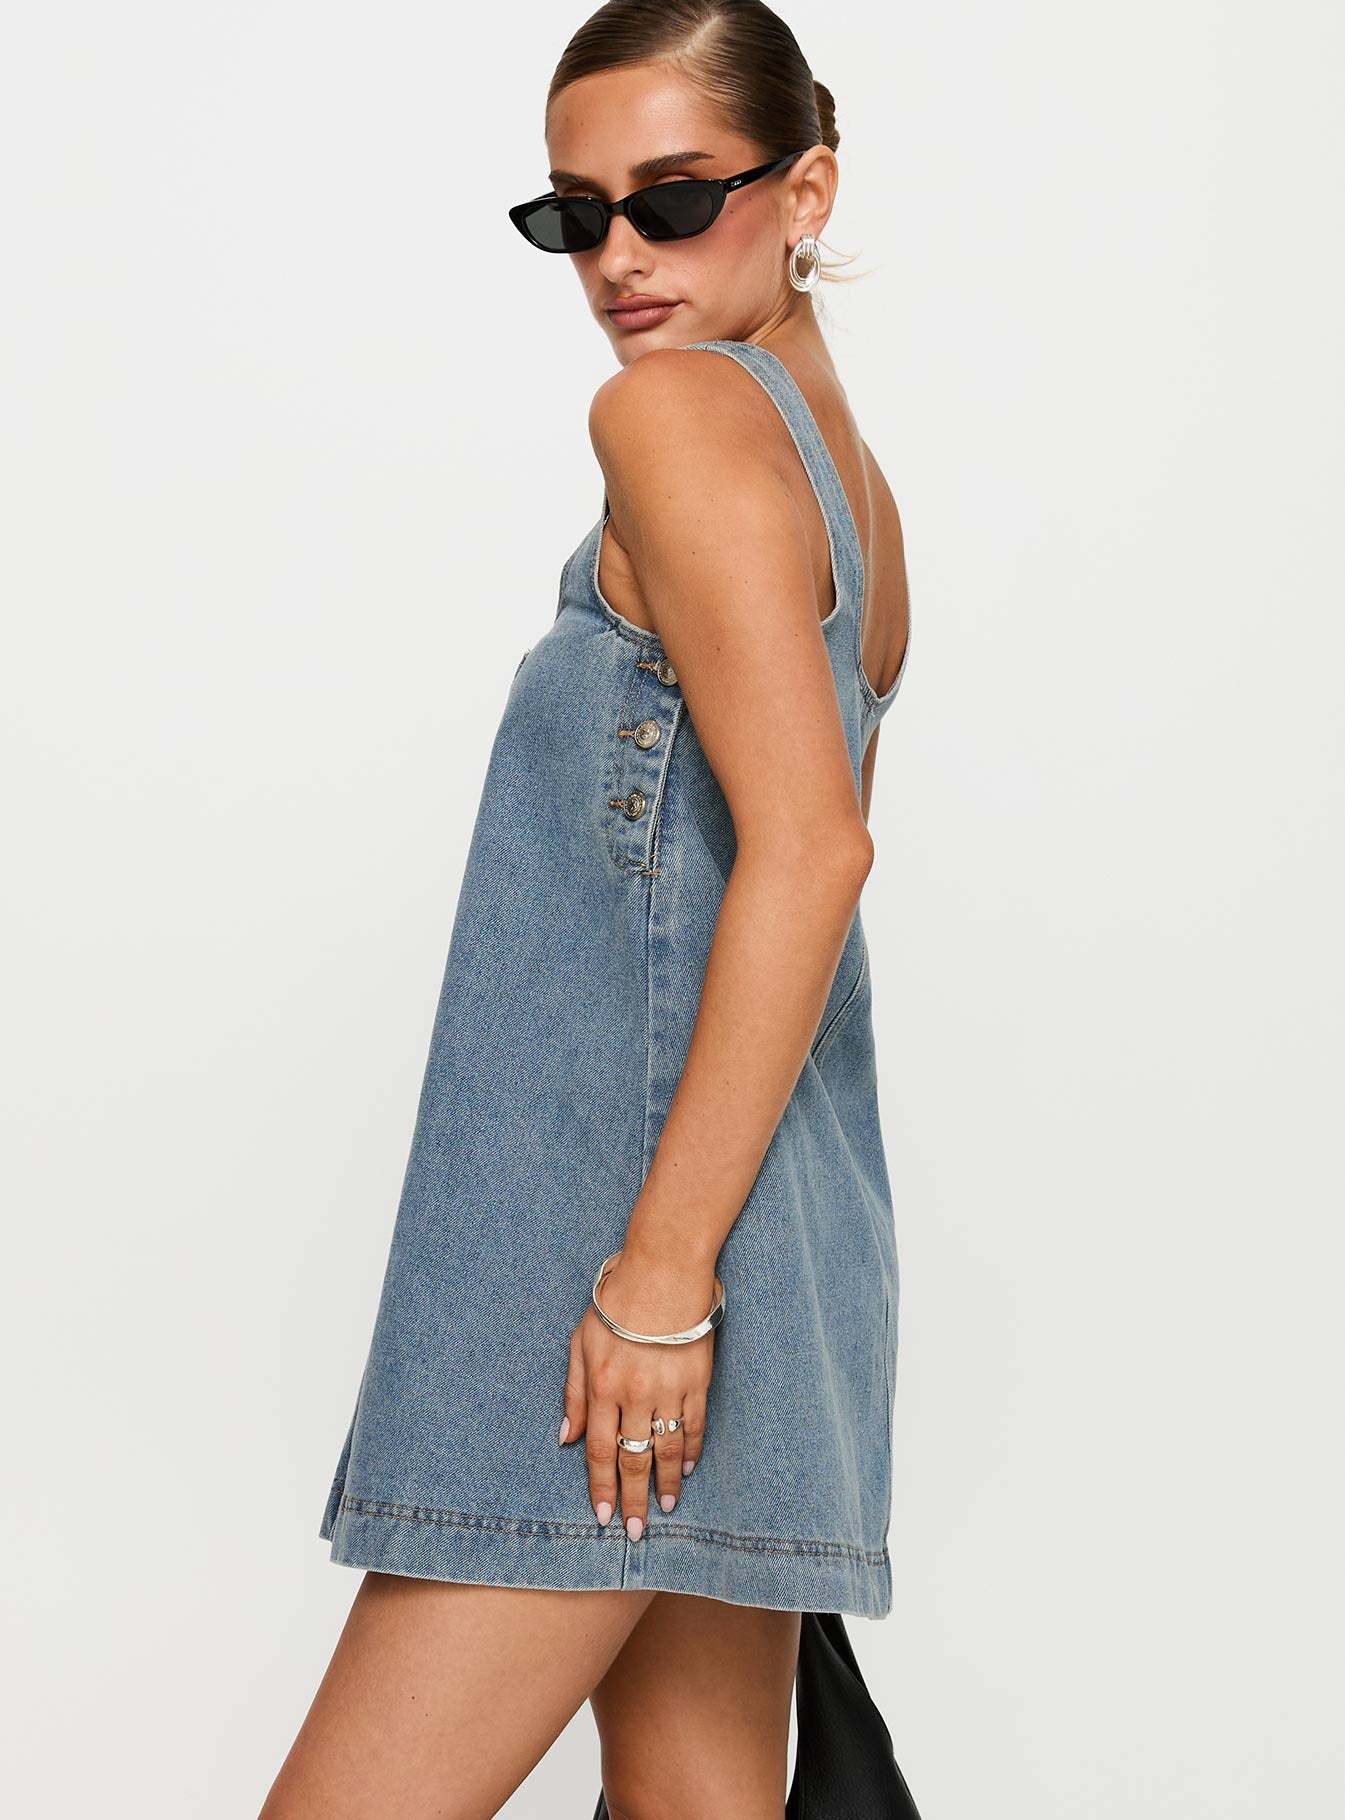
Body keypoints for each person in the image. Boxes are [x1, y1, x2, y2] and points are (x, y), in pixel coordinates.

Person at [261, 3, 919, 1815]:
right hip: (772, 1237)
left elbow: (811, 853)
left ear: (805, 191)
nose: (618, 257)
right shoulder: (845, 480)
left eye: (673, 199)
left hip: (622, 1257)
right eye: (573, 214)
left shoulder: (676, 415)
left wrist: (654, 1284)